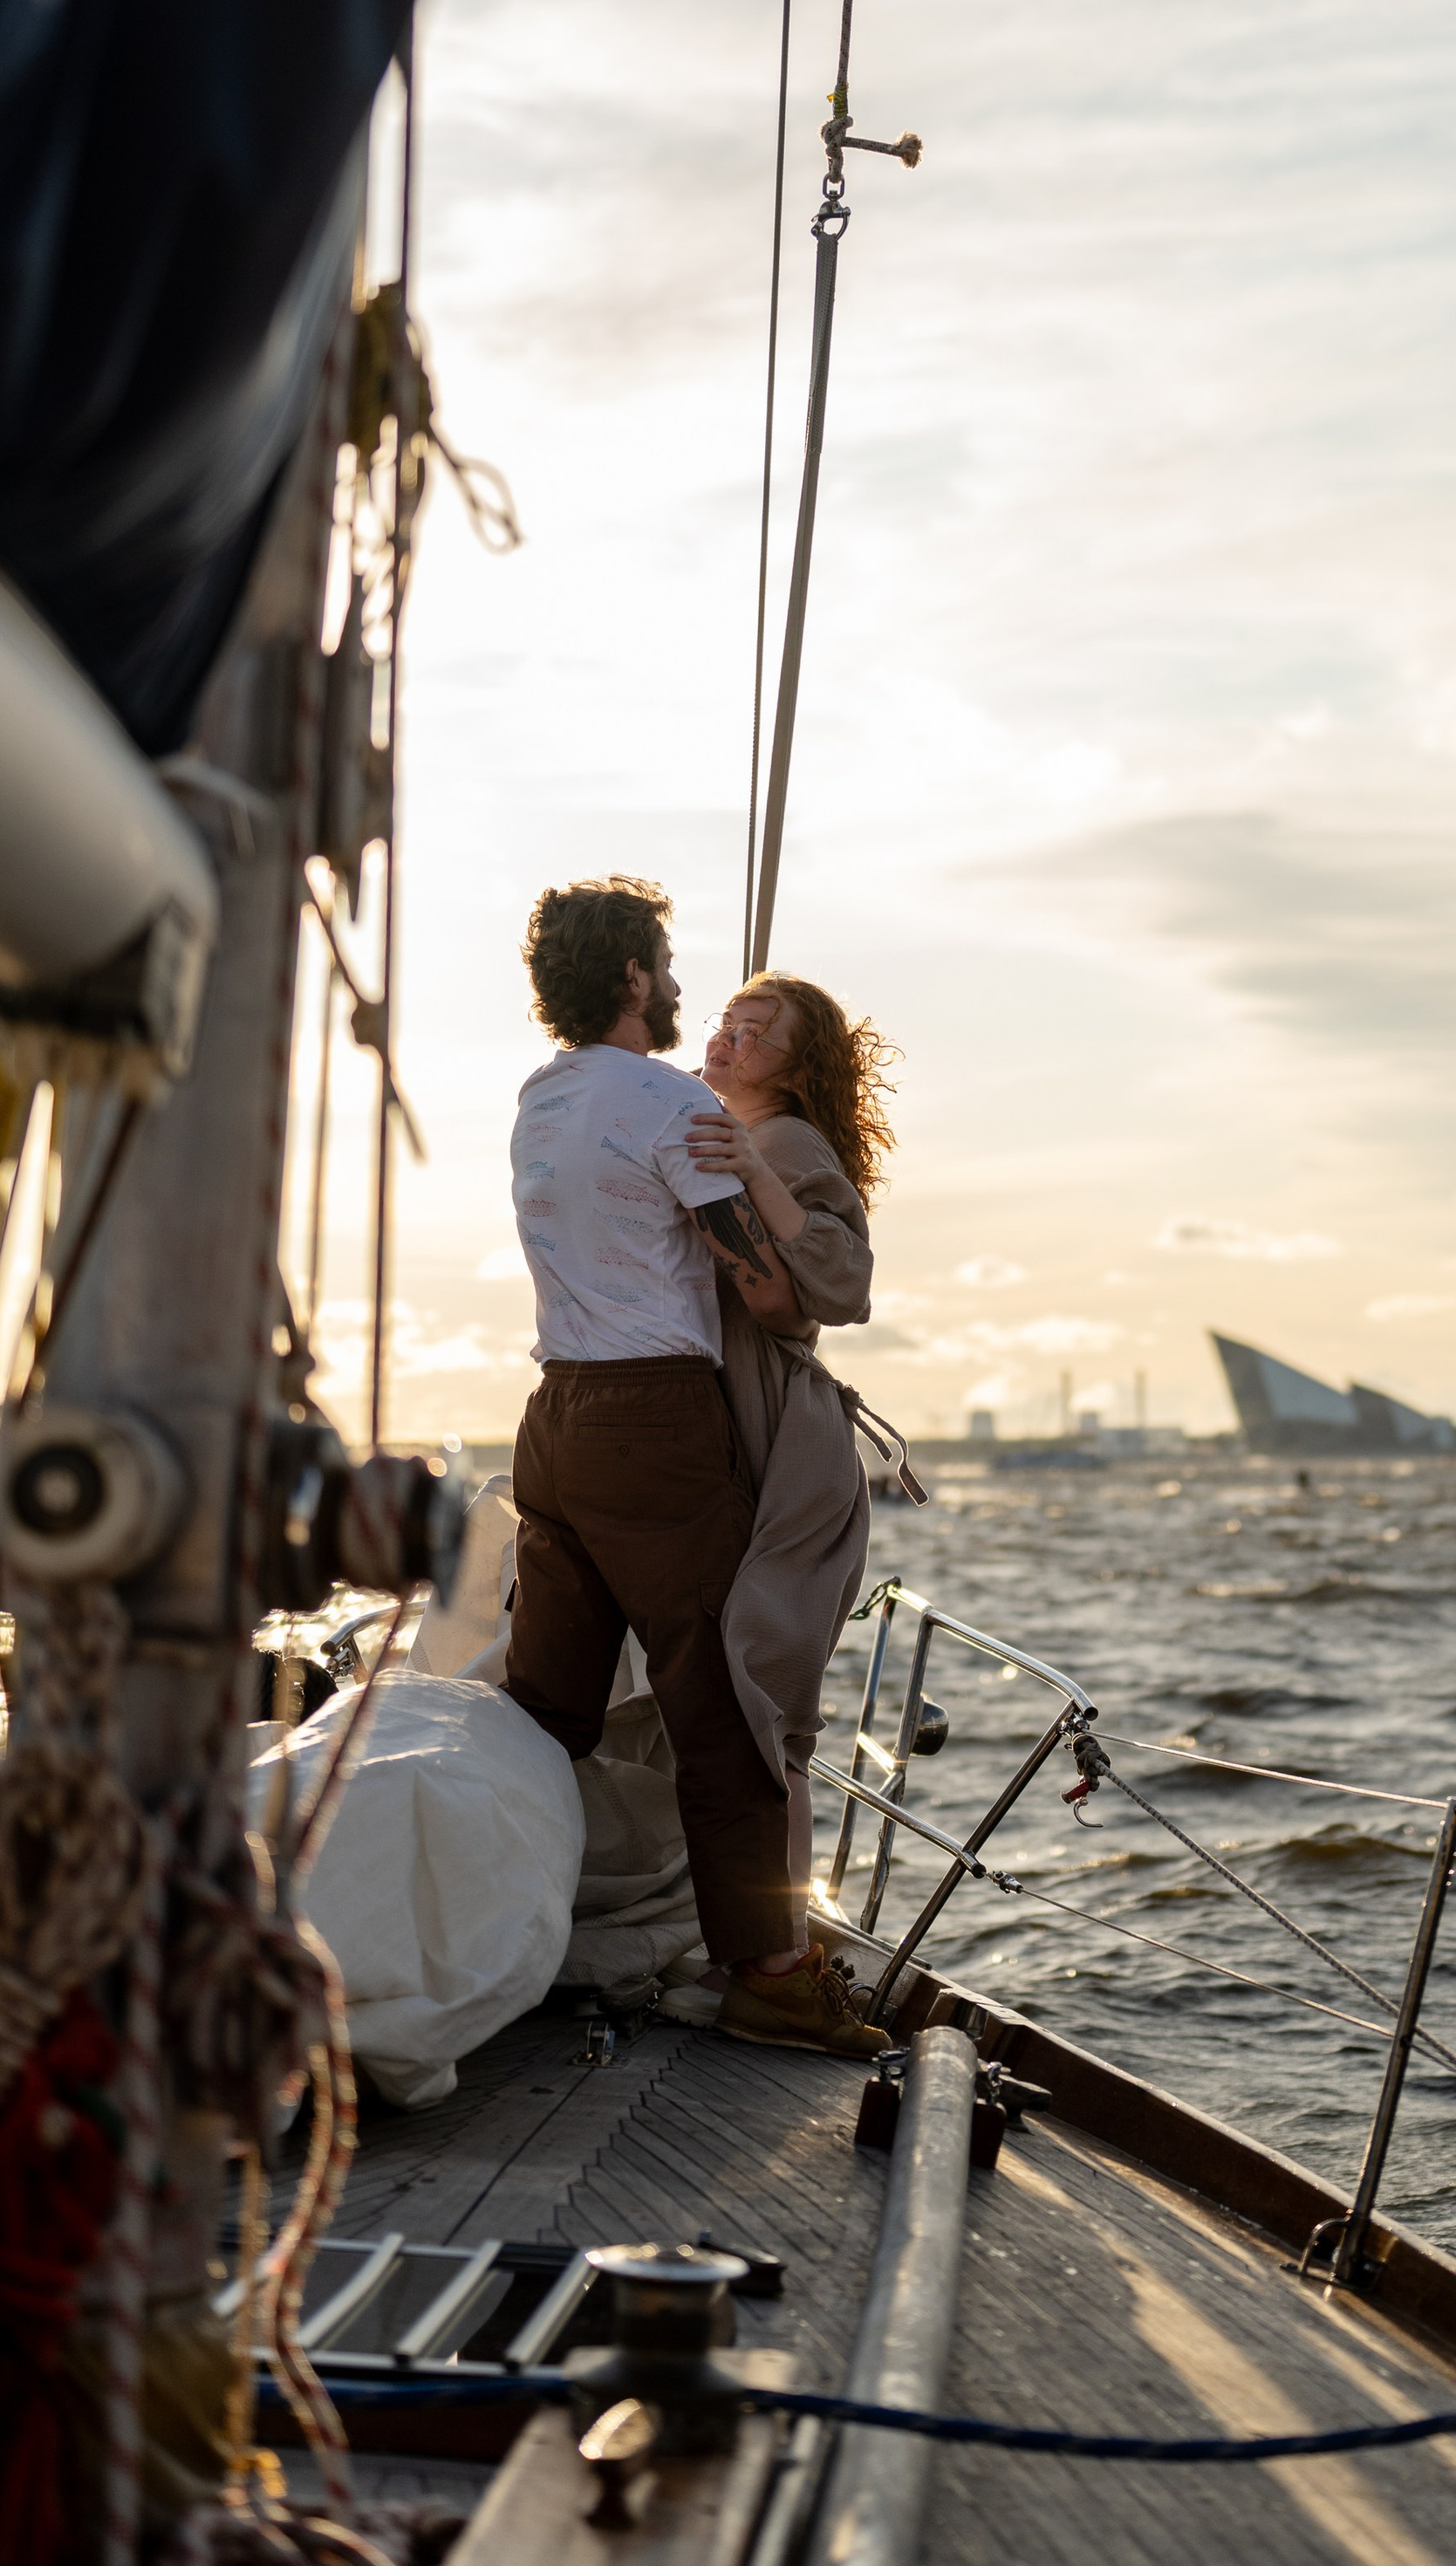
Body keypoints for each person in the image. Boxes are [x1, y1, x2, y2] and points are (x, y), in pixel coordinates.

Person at [501, 878, 887, 2058]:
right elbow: (771, 1290)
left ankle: (502, 1929)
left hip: (552, 1416)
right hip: (654, 1424)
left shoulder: (539, 1097)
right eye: (668, 968)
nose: (684, 994)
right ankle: (773, 1976)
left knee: (545, 1708)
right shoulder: (672, 1105)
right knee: (727, 1713)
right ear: (632, 979)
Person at [682, 973, 902, 1942]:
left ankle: (783, 1948)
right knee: (754, 1707)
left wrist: (745, 1170)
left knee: (769, 1716)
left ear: (798, 1068)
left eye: (756, 1033)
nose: (728, 1040)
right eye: (727, 1022)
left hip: (783, 1437)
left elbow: (829, 1287)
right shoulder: (730, 1132)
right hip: (748, 1425)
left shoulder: (783, 1143)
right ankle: (762, 1941)